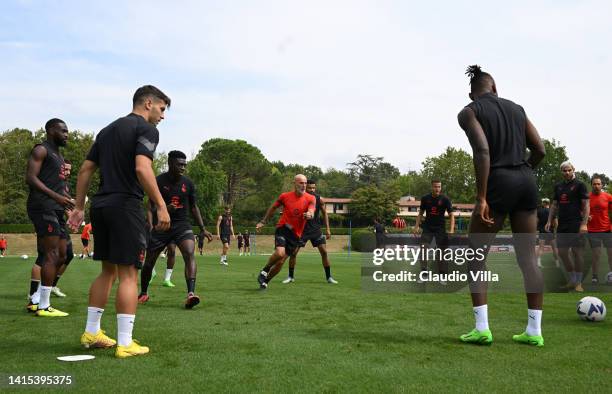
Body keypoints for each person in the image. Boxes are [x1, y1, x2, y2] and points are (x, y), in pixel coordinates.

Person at [68, 85, 171, 358]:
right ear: (148, 103)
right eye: (162, 109)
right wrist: (161, 205)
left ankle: (92, 332)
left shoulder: (107, 130)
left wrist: (79, 206)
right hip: (125, 206)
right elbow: (142, 167)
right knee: (128, 274)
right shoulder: (147, 129)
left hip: (100, 207)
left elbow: (85, 169)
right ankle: (125, 343)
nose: (163, 116)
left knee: (108, 272)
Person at [457, 65, 546, 346]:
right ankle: (534, 332)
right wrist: (523, 173)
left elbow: (482, 151)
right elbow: (540, 150)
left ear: (472, 94)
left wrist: (482, 197)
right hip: (526, 181)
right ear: (495, 87)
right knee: (528, 259)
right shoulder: (518, 109)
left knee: (476, 256)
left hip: (497, 181)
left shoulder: (469, 111)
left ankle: (482, 328)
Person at [138, 150, 212, 308]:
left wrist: (203, 228)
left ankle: (191, 294)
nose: (183, 167)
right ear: (170, 163)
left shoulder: (188, 184)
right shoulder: (158, 181)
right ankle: (143, 293)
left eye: (185, 165)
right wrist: (151, 224)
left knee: (189, 253)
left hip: (182, 225)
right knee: (149, 262)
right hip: (162, 226)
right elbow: (150, 205)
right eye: (180, 164)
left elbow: (193, 207)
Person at [25, 118, 73, 317]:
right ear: (51, 130)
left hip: (56, 209)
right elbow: (31, 178)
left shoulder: (60, 157)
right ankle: (43, 305)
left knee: (63, 254)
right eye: (63, 131)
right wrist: (57, 197)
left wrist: (68, 201)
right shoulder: (41, 150)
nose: (66, 134)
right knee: (51, 254)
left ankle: (37, 298)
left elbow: (58, 184)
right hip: (42, 206)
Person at [255, 174, 315, 289]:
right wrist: (263, 221)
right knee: (279, 253)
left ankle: (265, 281)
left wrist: (309, 214)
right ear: (294, 183)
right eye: (301, 183)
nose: (303, 185)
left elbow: (311, 210)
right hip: (283, 228)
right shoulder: (284, 196)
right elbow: (273, 208)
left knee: (281, 262)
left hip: (296, 235)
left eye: (305, 183)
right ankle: (265, 270)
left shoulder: (310, 198)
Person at [282, 179, 337, 284]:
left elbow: (325, 213)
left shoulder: (319, 199)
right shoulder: (297, 198)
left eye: (314, 188)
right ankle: (290, 277)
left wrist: (328, 229)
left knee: (324, 252)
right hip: (301, 230)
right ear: (305, 187)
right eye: (310, 188)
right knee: (293, 253)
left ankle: (329, 277)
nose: (312, 190)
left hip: (315, 230)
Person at [546, 162, 589, 292]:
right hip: (562, 225)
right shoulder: (558, 186)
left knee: (577, 253)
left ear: (573, 170)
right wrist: (549, 220)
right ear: (562, 172)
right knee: (562, 253)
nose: (567, 172)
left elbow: (586, 205)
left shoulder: (580, 185)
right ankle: (572, 280)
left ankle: (579, 283)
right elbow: (554, 205)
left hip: (576, 223)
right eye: (564, 171)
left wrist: (584, 224)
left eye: (569, 170)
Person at [413, 180, 455, 282]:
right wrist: (416, 226)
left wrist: (451, 229)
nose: (437, 189)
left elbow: (451, 215)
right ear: (432, 187)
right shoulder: (425, 199)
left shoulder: (445, 199)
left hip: (440, 228)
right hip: (427, 227)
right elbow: (420, 213)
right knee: (423, 250)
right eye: (435, 187)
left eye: (439, 187)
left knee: (441, 253)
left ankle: (442, 275)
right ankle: (424, 274)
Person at [587, 177, 612, 284]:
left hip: (607, 230)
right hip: (593, 231)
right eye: (594, 184)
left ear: (602, 185)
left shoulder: (608, 197)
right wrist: (585, 217)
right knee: (596, 254)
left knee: (611, 254)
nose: (596, 186)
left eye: (598, 184)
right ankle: (595, 276)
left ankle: (611, 274)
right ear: (591, 185)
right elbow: (581, 211)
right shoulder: (587, 197)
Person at [536, 198, 557, 268]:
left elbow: (537, 221)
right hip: (550, 231)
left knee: (541, 248)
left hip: (542, 231)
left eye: (542, 202)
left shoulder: (539, 211)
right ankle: (557, 263)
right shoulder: (552, 211)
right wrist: (555, 229)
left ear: (544, 203)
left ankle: (538, 263)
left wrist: (537, 228)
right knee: (554, 248)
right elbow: (556, 222)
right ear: (549, 203)